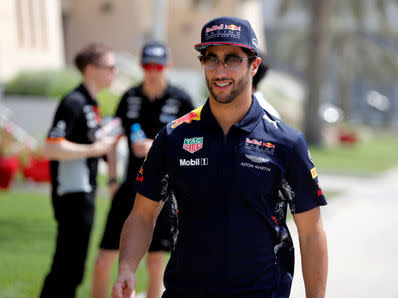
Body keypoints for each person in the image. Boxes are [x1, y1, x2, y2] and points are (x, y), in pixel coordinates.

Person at [113, 16, 328, 298]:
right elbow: (142, 215)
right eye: (211, 59)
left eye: (232, 59)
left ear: (254, 65)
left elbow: (311, 231)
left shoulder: (286, 142)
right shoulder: (174, 137)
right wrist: (127, 267)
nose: (220, 70)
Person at [92, 40, 194, 298]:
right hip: (131, 186)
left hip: (165, 189)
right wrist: (113, 179)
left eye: (158, 66)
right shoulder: (130, 97)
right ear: (141, 66)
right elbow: (112, 139)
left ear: (167, 66)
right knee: (104, 259)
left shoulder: (180, 99)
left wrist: (157, 146)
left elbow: (195, 143)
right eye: (147, 65)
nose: (152, 71)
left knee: (155, 262)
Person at [40, 43, 117, 298]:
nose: (114, 72)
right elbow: (52, 146)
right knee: (67, 267)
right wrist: (94, 149)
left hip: (85, 192)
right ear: (91, 70)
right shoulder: (73, 101)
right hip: (72, 193)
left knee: (73, 268)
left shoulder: (91, 102)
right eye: (110, 66)